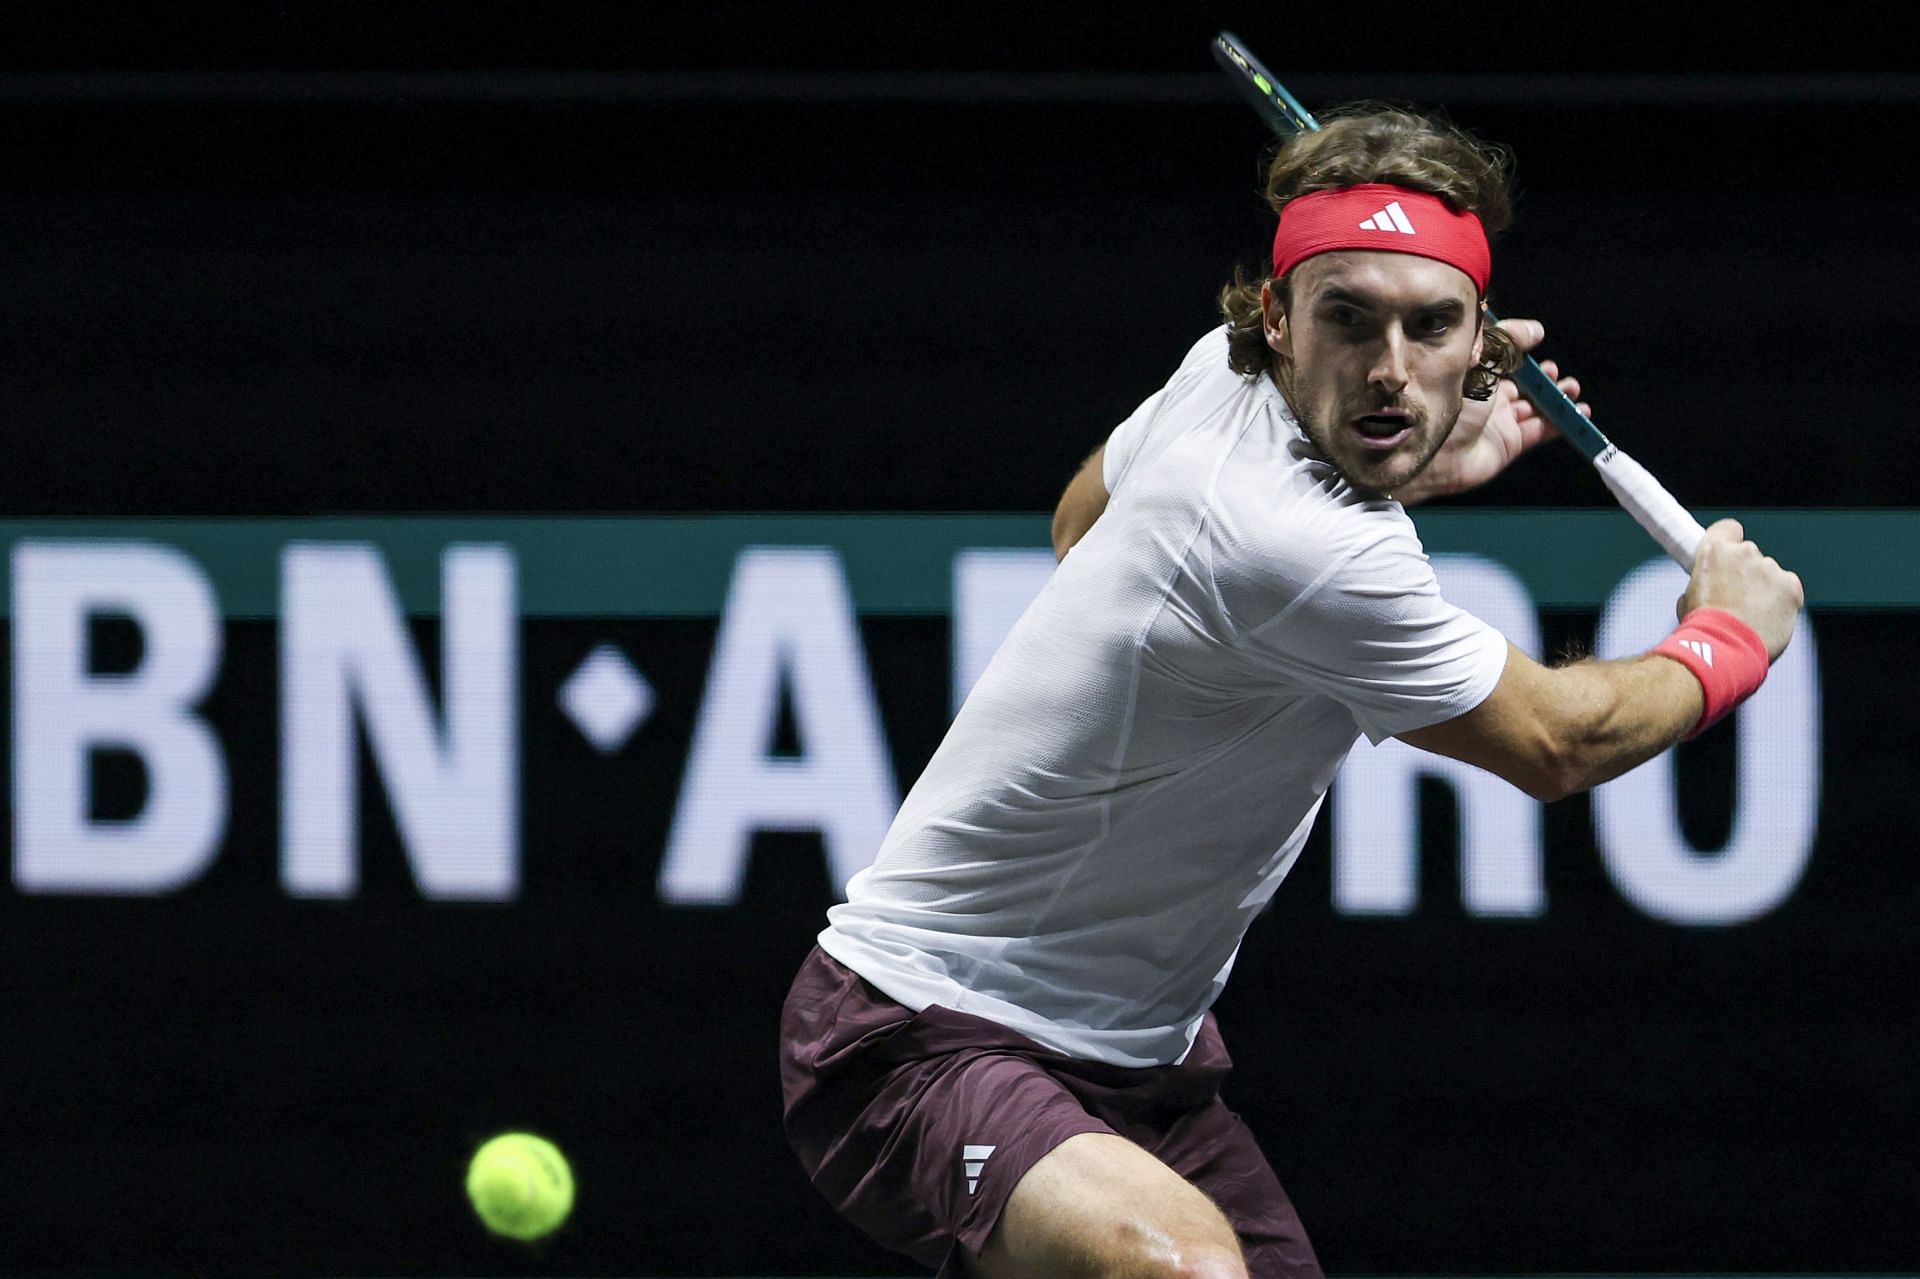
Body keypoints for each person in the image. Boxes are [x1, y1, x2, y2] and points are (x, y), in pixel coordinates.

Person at [779, 107, 1803, 1279]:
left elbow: (1078, 525)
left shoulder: (1219, 373)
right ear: (1277, 317)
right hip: (915, 1037)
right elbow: (1556, 744)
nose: (1388, 368)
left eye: (1430, 329)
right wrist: (1729, 634)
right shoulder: (1308, 548)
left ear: (1481, 349)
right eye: (1347, 318)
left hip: (1135, 1064)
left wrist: (1406, 471)